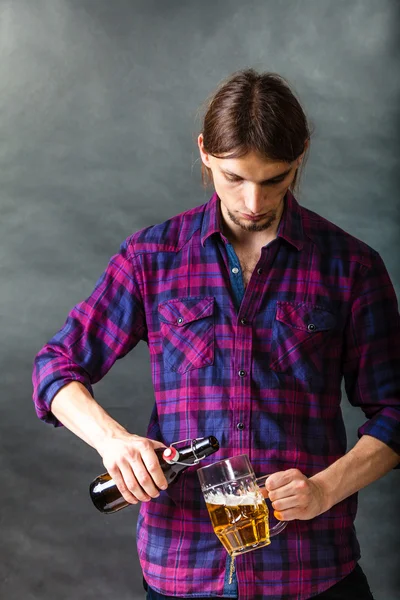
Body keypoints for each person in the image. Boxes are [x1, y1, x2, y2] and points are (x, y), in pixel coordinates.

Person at [32, 68, 400, 600]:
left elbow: (395, 410)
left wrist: (324, 490)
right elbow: (55, 366)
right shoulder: (151, 258)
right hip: (183, 566)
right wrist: (114, 442)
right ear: (205, 152)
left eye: (274, 179)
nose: (253, 201)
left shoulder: (351, 266)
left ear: (299, 157)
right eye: (234, 178)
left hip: (310, 569)